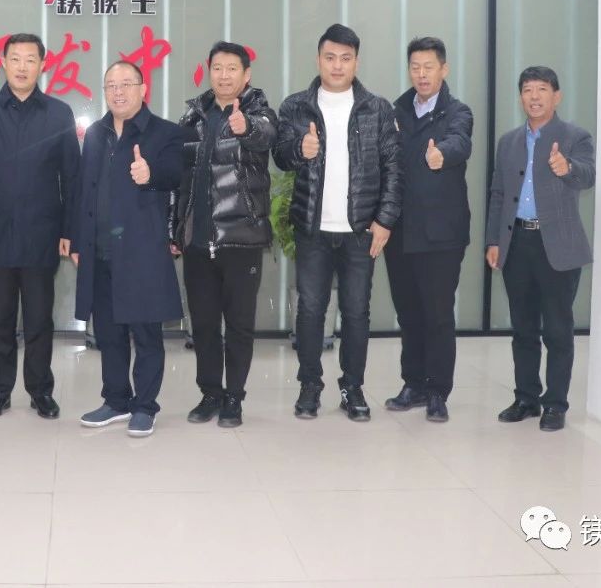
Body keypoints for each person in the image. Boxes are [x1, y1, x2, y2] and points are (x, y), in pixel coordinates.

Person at [273, 24, 402, 422]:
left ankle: (353, 387)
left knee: (357, 311)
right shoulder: (296, 106)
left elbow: (393, 168)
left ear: (356, 62)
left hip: (360, 230)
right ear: (318, 59)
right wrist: (300, 148)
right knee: (311, 310)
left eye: (345, 59)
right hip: (312, 228)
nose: (337, 66)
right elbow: (279, 155)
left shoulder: (377, 108)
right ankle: (310, 386)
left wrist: (385, 220)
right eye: (330, 57)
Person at [0, 33, 80, 421]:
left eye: (30, 59)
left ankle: (41, 392)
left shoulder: (58, 112)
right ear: (3, 63)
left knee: (40, 319)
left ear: (43, 65)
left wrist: (69, 230)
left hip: (41, 232)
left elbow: (72, 175)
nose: (23, 67)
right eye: (15, 59)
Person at [72, 61, 184, 438]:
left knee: (146, 333)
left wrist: (150, 175)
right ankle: (116, 400)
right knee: (108, 333)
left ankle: (145, 406)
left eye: (126, 84)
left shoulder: (165, 132)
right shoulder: (96, 134)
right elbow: (84, 190)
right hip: (100, 250)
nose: (118, 92)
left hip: (142, 251)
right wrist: (78, 239)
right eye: (111, 86)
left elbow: (177, 174)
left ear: (142, 88)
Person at [172, 41, 277, 428]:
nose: (224, 75)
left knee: (238, 325)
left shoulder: (259, 112)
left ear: (246, 75)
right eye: (217, 68)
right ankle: (210, 393)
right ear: (209, 71)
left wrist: (246, 127)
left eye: (233, 68)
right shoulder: (193, 117)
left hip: (240, 238)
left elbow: (266, 135)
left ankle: (234, 397)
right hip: (198, 240)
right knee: (202, 325)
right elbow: (181, 179)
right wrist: (175, 229)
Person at [485, 66, 595, 432]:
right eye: (528, 90)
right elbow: (498, 194)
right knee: (523, 328)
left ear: (556, 96)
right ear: (521, 97)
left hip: (557, 247)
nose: (534, 96)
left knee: (558, 330)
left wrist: (567, 167)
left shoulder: (575, 137)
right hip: (517, 243)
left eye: (542, 89)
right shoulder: (508, 142)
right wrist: (494, 240)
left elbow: (588, 174)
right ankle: (526, 398)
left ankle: (556, 404)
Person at [383, 37, 473, 423]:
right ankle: (414, 383)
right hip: (401, 231)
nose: (421, 74)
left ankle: (438, 390)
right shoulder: (396, 111)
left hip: (441, 233)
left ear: (443, 69)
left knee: (437, 314)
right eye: (415, 67)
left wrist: (442, 154)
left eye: (429, 67)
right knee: (408, 313)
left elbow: (460, 142)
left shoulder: (457, 111)